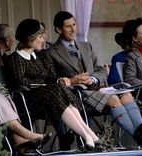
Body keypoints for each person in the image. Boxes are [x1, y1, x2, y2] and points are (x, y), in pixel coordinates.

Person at [46, 11, 142, 149]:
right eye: (68, 26)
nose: (73, 29)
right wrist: (72, 81)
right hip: (76, 94)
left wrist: (93, 79)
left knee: (126, 95)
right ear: (58, 29)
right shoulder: (51, 52)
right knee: (113, 99)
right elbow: (51, 79)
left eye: (74, 24)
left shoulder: (86, 46)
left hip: (96, 88)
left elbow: (100, 70)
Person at [7, 18, 100, 150]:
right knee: (56, 90)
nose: (43, 40)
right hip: (29, 99)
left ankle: (88, 134)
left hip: (48, 95)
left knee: (59, 88)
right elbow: (22, 83)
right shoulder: (15, 59)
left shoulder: (39, 56)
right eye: (40, 36)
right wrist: (46, 85)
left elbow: (51, 77)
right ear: (30, 38)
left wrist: (59, 80)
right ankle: (87, 135)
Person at [0, 24, 51, 153]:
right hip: (0, 95)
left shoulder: (4, 56)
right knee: (6, 100)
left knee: (8, 100)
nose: (12, 40)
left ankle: (22, 143)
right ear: (6, 39)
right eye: (11, 37)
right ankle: (29, 137)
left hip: (7, 95)